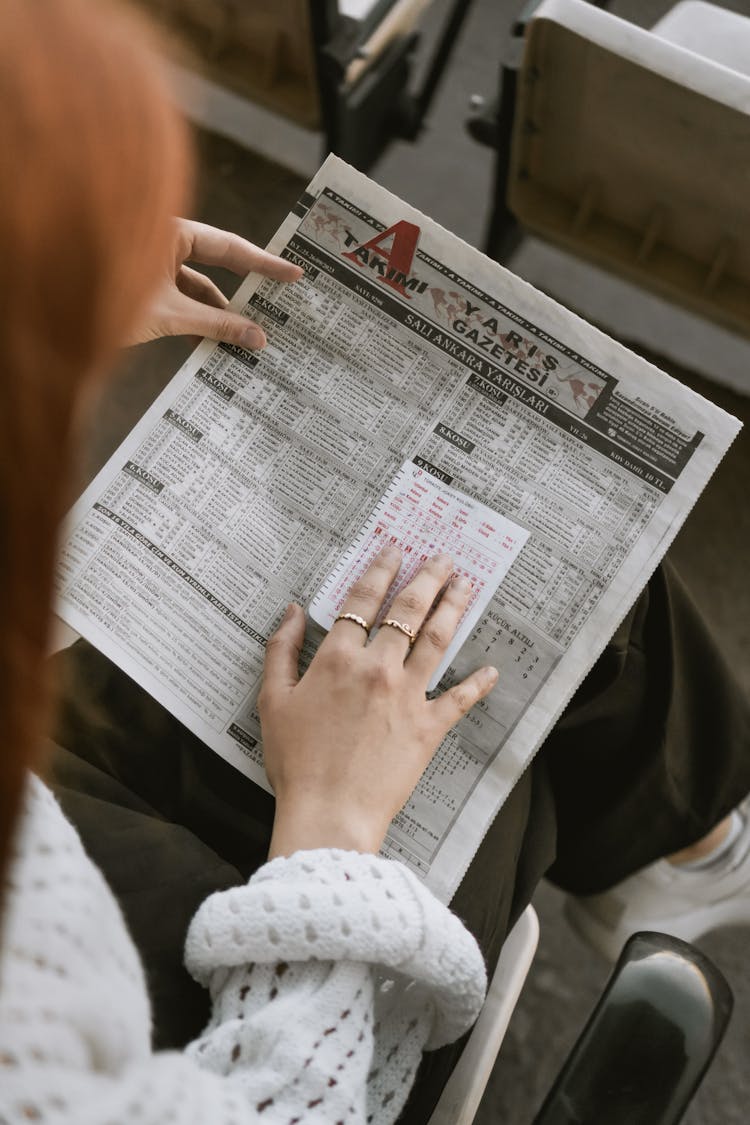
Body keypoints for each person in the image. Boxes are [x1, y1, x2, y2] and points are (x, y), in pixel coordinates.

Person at [2, 4, 749, 1125]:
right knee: (526, 648)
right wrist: (334, 824)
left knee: (479, 595)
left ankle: (679, 844)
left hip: (57, 809)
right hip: (261, 1022)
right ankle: (689, 849)